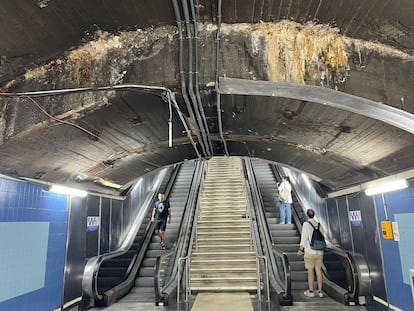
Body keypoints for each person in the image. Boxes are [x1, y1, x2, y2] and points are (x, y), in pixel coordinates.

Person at [297, 209, 325, 298]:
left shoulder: (306, 224)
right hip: (319, 251)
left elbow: (304, 238)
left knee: (310, 271)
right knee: (318, 270)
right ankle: (320, 291)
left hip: (310, 251)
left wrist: (300, 249)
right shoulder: (319, 225)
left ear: (307, 215)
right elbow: (323, 236)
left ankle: (311, 291)